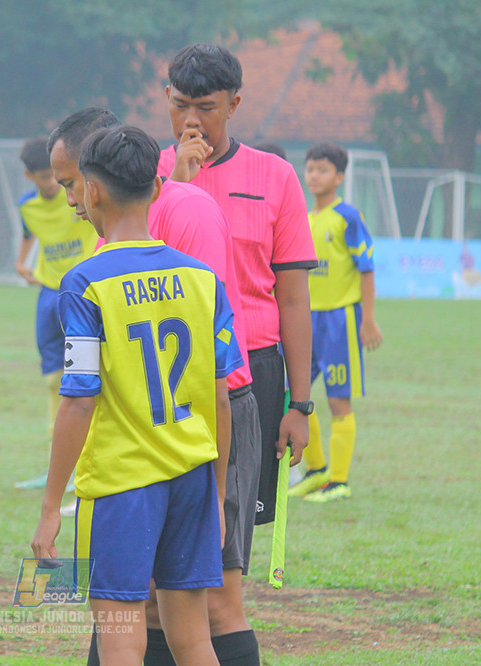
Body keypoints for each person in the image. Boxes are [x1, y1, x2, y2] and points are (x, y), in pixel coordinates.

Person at [46, 107, 261, 666]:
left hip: (122, 485)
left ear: (92, 193)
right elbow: (221, 396)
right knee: (192, 640)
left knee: (122, 639)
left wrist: (50, 505)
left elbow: (78, 399)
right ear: (157, 185)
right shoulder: (200, 279)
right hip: (192, 477)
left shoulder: (86, 282)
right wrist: (216, 495)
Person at [158, 43, 319, 665]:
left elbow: (294, 299)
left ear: (235, 104)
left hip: (249, 377)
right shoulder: (145, 174)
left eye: (206, 107)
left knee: (220, 574)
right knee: (147, 575)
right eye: (179, 106)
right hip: (165, 378)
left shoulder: (274, 177)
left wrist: (299, 402)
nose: (191, 121)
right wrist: (177, 184)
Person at [289, 142, 383, 502]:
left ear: (339, 176)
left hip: (340, 320)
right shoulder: (304, 218)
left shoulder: (348, 217)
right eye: (310, 169)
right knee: (295, 396)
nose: (314, 176)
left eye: (322, 170)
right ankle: (316, 471)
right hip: (306, 321)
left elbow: (367, 268)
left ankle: (339, 481)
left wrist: (368, 319)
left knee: (338, 401)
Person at [14, 137, 99, 490]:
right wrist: (21, 263)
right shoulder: (27, 207)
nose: (53, 184)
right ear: (29, 176)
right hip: (50, 293)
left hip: (82, 289)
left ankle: (85, 459)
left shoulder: (77, 196)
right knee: (52, 377)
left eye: (56, 177)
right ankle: (58, 462)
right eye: (44, 177)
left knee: (86, 377)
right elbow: (27, 234)